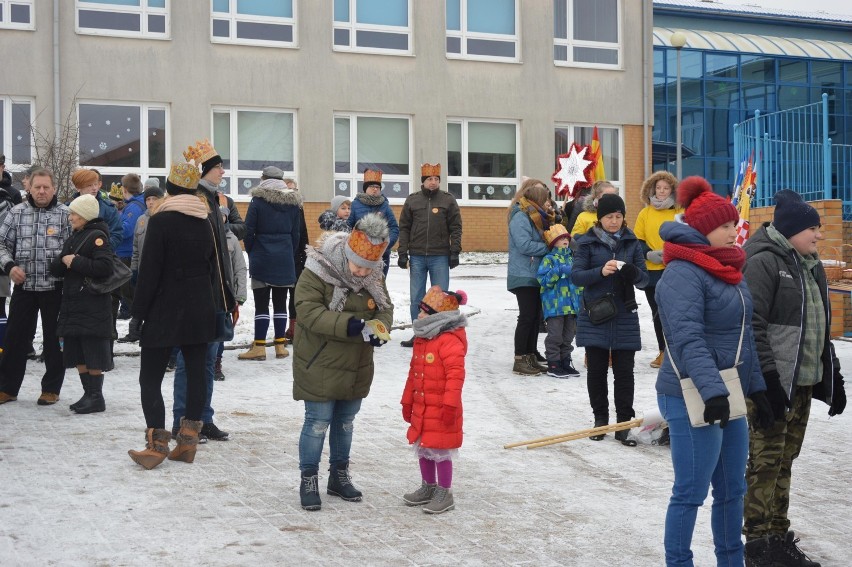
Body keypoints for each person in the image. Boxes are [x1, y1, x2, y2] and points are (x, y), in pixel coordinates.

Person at [654, 176, 774, 566]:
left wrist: (757, 389)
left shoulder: (728, 269)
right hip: (689, 391)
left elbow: (743, 337)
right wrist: (713, 392)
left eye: (733, 224)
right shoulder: (682, 273)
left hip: (727, 390)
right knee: (690, 490)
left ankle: (730, 561)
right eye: (725, 225)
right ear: (703, 230)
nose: (734, 231)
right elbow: (687, 339)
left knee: (732, 490)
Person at [741, 189, 846, 567]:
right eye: (812, 229)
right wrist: (765, 381)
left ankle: (777, 534)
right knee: (765, 462)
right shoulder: (764, 262)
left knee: (786, 459)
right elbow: (752, 326)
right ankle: (757, 544)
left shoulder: (810, 263)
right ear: (791, 230)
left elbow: (817, 324)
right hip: (772, 382)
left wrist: (831, 372)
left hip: (801, 381)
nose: (818, 236)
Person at [293, 213, 393, 511]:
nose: (363, 273)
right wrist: (348, 324)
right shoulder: (318, 270)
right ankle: (308, 478)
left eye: (369, 268)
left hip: (356, 364)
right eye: (358, 266)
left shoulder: (374, 275)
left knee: (345, 423)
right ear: (347, 254)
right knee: (318, 423)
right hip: (319, 360)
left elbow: (385, 309)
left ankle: (339, 476)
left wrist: (380, 330)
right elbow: (308, 311)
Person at [127, 162, 217, 470]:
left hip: (165, 307)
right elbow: (212, 266)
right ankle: (188, 443)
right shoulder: (204, 219)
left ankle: (156, 446)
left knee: (150, 377)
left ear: (170, 188)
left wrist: (137, 314)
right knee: (196, 372)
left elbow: (149, 271)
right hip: (199, 306)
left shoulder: (161, 220)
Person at [168, 139, 238, 443]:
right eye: (219, 167)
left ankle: (202, 418)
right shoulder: (194, 201)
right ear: (205, 171)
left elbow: (221, 255)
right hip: (197, 297)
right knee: (189, 363)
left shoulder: (213, 200)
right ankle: (183, 420)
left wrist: (229, 293)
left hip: (217, 296)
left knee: (207, 361)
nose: (223, 171)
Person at [571, 193, 649, 445]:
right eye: (609, 217)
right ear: (599, 218)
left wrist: (632, 270)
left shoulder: (633, 243)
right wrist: (600, 271)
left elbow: (645, 280)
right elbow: (577, 276)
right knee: (596, 371)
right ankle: (600, 420)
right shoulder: (587, 243)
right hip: (596, 314)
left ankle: (624, 425)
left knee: (625, 372)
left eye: (618, 216)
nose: (614, 221)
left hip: (625, 314)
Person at [0, 168, 72, 406]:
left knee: (54, 341)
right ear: (28, 187)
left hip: (55, 289)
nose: (41, 191)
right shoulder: (16, 213)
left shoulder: (65, 215)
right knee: (14, 340)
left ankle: (51, 389)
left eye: (46, 187)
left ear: (54, 189)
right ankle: (7, 388)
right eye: (37, 187)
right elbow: (1, 244)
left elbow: (75, 250)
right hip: (24, 288)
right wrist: (10, 266)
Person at [400, 285, 467, 515]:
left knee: (441, 451)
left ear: (437, 317)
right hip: (422, 405)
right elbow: (413, 373)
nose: (418, 316)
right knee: (424, 448)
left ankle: (444, 492)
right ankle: (428, 487)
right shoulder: (423, 339)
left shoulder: (449, 341)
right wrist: (407, 401)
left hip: (441, 408)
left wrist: (449, 405)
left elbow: (455, 376)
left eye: (423, 312)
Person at [49, 194, 114, 414]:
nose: (70, 217)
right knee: (77, 350)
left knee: (92, 351)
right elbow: (59, 266)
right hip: (75, 303)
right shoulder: (76, 235)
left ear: (85, 215)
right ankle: (89, 394)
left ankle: (96, 397)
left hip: (91, 305)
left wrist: (74, 261)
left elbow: (105, 268)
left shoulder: (97, 236)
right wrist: (61, 261)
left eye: (74, 213)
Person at [397, 163, 462, 347]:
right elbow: (404, 228)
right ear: (423, 182)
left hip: (440, 256)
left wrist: (454, 251)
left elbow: (456, 227)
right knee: (416, 297)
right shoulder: (412, 200)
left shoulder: (447, 200)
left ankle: (438, 333)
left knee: (439, 297)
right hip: (417, 256)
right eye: (429, 179)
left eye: (436, 179)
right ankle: (419, 333)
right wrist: (403, 253)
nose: (433, 182)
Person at [237, 175, 302, 361]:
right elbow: (295, 234)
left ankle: (259, 347)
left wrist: (252, 250)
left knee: (261, 305)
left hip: (262, 255)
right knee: (281, 303)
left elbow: (248, 230)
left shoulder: (257, 202)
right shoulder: (293, 204)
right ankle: (280, 346)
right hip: (284, 258)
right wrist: (288, 251)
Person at [634, 171, 680, 369]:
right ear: (652, 190)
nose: (661, 192)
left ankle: (677, 351)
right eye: (658, 188)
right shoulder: (645, 213)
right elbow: (638, 241)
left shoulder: (679, 212)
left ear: (672, 190)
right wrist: (648, 254)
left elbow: (686, 236)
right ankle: (663, 351)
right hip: (652, 270)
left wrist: (672, 252)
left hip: (675, 268)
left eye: (666, 188)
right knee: (657, 312)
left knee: (675, 311)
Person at [507, 179, 553, 376]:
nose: (548, 204)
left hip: (533, 273)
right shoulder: (520, 216)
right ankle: (520, 358)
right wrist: (549, 246)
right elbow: (524, 245)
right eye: (546, 200)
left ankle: (530, 355)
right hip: (523, 273)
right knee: (527, 317)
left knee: (535, 317)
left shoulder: (534, 215)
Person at [263, 168, 307, 344]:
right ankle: (280, 331)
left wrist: (304, 253)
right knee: (279, 296)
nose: (292, 192)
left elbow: (302, 233)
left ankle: (294, 327)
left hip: (297, 256)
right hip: (283, 255)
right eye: (289, 188)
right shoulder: (279, 208)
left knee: (296, 294)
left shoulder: (299, 208)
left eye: (294, 189)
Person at [120, 184, 165, 343]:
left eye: (154, 199)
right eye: (148, 199)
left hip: (161, 273)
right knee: (140, 302)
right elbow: (135, 248)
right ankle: (135, 332)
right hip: (142, 270)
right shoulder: (141, 220)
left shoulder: (166, 218)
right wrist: (134, 269)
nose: (151, 202)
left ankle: (153, 334)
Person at [537, 224, 582, 378]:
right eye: (561, 238)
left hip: (571, 305)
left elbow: (579, 281)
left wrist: (580, 297)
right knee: (555, 335)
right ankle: (553, 363)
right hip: (555, 305)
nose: (565, 240)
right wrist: (559, 270)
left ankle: (565, 361)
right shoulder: (549, 259)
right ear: (553, 242)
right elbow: (543, 281)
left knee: (569, 335)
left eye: (566, 238)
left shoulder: (573, 258)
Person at [347, 169, 399, 277]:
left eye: (377, 187)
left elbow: (394, 227)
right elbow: (348, 226)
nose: (375, 189)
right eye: (372, 187)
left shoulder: (385, 205)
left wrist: (386, 245)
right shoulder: (355, 205)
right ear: (365, 188)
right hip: (359, 255)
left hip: (381, 255)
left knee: (379, 286)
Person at [69, 169, 123, 252]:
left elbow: (117, 235)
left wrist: (101, 249)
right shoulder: (68, 208)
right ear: (78, 188)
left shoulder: (109, 209)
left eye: (96, 184)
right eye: (89, 185)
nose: (94, 188)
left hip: (100, 258)